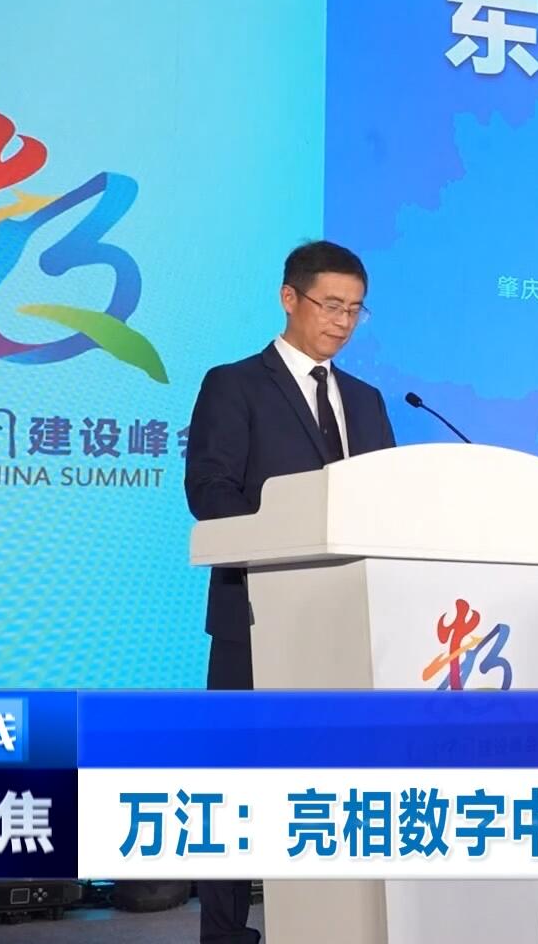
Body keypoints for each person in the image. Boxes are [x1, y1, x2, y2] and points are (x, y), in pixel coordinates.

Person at [182, 239, 396, 943]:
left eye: (355, 310)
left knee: (333, 783)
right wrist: (289, 529)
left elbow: (387, 505)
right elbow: (210, 491)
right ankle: (226, 932)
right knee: (236, 784)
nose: (342, 322)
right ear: (289, 298)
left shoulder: (366, 401)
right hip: (257, 616)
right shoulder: (234, 385)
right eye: (330, 305)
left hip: (350, 624)